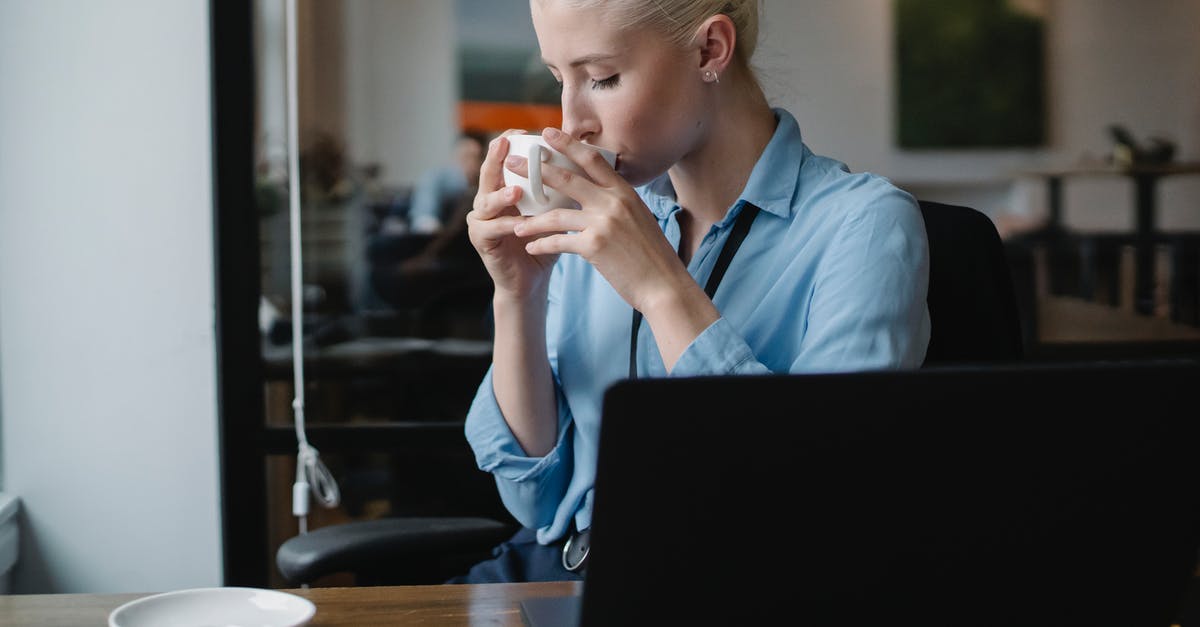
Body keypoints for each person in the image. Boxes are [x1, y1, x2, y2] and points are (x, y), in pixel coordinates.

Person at [450, 0, 931, 583]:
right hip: (557, 575)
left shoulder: (865, 225)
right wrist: (517, 297)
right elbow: (534, 504)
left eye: (601, 78)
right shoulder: (589, 217)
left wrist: (659, 287)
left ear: (710, 50)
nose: (571, 122)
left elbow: (808, 500)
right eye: (559, 79)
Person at [402, 130, 489, 234]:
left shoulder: (488, 184)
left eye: (475, 157)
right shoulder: (435, 179)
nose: (470, 163)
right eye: (466, 156)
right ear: (456, 154)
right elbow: (425, 220)